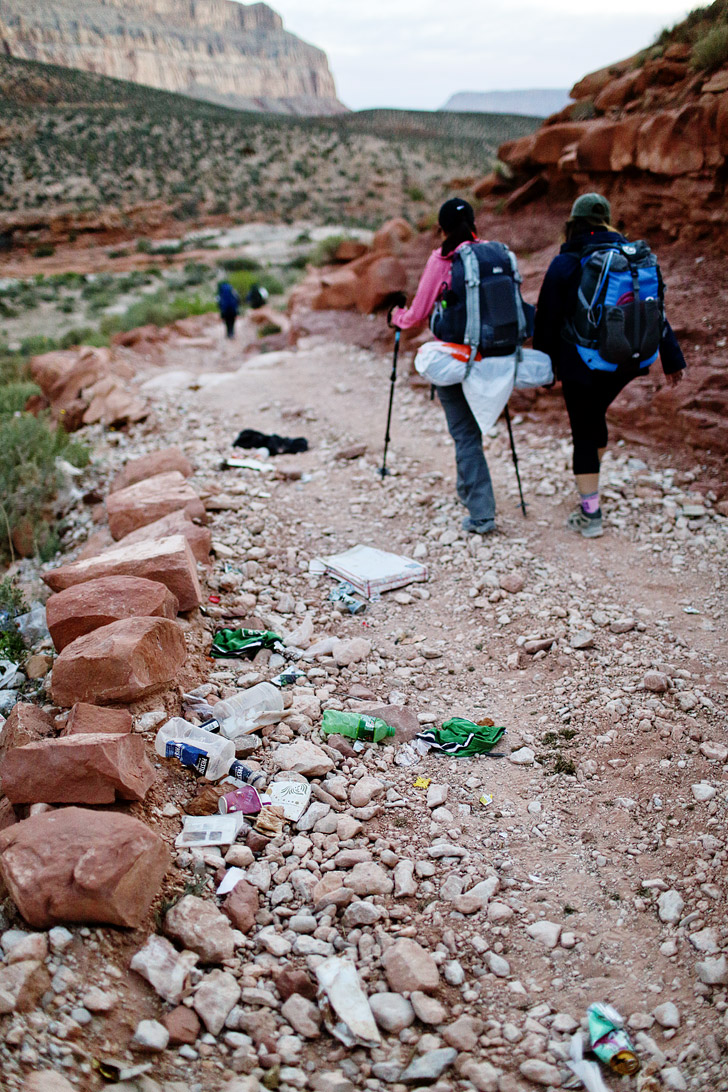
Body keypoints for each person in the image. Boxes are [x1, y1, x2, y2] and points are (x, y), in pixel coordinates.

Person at [534, 193, 686, 538]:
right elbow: (654, 310)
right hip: (626, 360)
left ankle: (591, 514)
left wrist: (546, 365)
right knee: (595, 418)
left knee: (583, 431)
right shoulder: (631, 258)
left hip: (583, 363)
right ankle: (591, 482)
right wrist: (671, 358)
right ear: (606, 221)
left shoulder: (567, 262)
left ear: (573, 223)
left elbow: (547, 318)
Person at [389, 198, 498, 535]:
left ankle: (481, 513)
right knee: (471, 431)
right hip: (493, 355)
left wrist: (395, 316)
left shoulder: (443, 258)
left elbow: (417, 314)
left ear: (441, 228)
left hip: (454, 356)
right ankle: (467, 490)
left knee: (465, 434)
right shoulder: (492, 254)